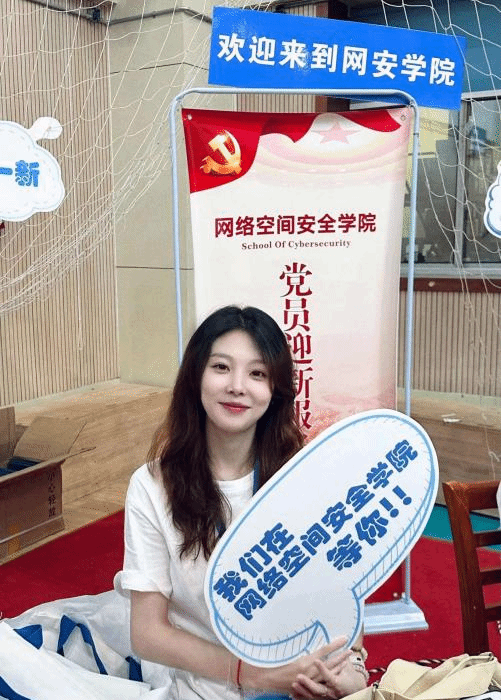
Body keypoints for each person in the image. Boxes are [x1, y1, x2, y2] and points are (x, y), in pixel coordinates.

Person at [114, 305, 369, 699]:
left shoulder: (308, 475)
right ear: (195, 376)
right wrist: (254, 674)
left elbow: (340, 593)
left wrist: (352, 672)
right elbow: (148, 633)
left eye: (257, 373)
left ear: (275, 389)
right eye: (221, 367)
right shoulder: (152, 486)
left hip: (308, 682)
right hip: (207, 689)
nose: (237, 386)